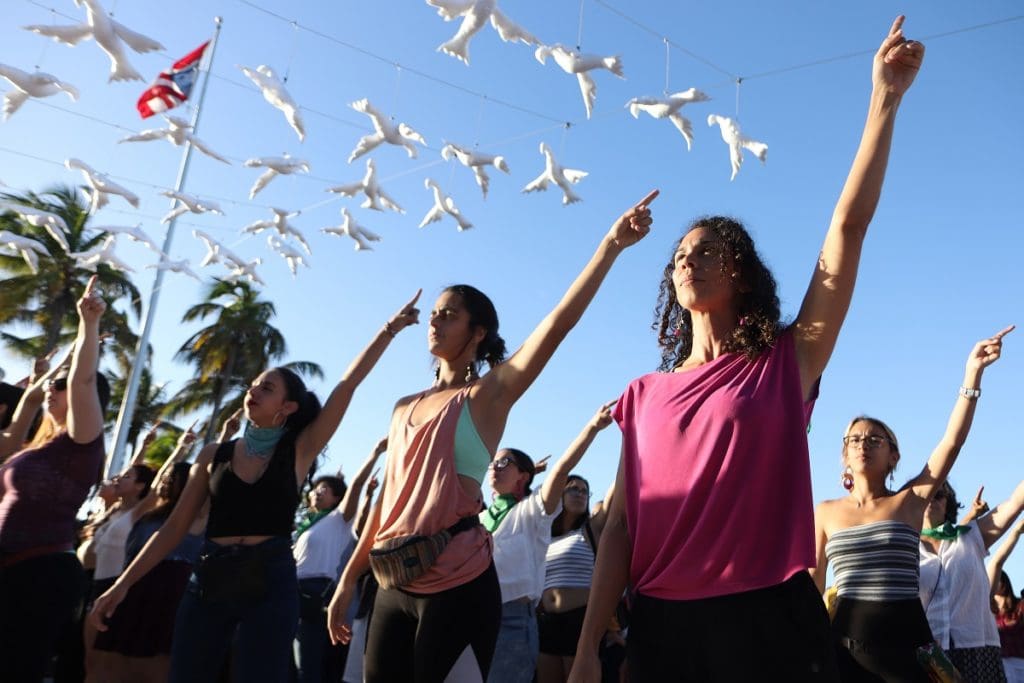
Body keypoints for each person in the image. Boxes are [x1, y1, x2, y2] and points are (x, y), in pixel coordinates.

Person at [568, 17, 926, 682]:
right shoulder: (642, 395)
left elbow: (848, 228)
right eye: (681, 254)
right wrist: (589, 645)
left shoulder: (786, 363)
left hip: (767, 626)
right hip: (660, 630)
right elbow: (619, 527)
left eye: (708, 250)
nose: (689, 260)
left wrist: (885, 98)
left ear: (742, 273)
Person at [328, 193, 657, 682]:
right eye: (435, 313)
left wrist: (610, 246)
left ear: (478, 332)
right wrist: (347, 581)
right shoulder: (403, 408)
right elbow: (385, 506)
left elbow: (557, 324)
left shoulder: (485, 397)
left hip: (459, 583)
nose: (435, 320)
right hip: (393, 581)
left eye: (449, 314)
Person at [90, 291, 422, 683]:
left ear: (288, 407)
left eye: (266, 388)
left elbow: (347, 385)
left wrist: (389, 330)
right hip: (209, 579)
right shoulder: (213, 454)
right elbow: (174, 527)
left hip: (271, 580)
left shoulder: (299, 449)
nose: (253, 391)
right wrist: (122, 585)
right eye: (253, 385)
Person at [812, 328, 1010, 679]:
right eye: (854, 439)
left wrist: (972, 374)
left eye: (875, 439)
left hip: (910, 652)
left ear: (894, 456)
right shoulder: (825, 512)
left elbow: (951, 443)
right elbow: (812, 584)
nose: (863, 444)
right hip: (846, 652)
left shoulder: (911, 501)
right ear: (844, 455)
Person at [0, 276, 110, 682]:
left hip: (40, 573)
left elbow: (83, 380)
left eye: (59, 387)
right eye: (53, 385)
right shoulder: (33, 447)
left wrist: (88, 325)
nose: (53, 389)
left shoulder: (81, 443)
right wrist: (48, 374)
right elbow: (33, 398)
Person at [484, 401, 615, 683]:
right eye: (493, 462)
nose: (495, 467)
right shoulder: (479, 516)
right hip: (477, 616)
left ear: (523, 476)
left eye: (505, 462)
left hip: (514, 622)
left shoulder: (531, 512)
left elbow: (562, 470)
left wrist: (592, 428)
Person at [294, 437, 386, 683]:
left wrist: (375, 452)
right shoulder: (306, 527)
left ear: (337, 498)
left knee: (309, 663)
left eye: (324, 489)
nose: (317, 492)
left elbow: (356, 485)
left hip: (317, 593)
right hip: (292, 589)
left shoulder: (339, 519)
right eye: (315, 488)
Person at [920, 474, 1024, 681]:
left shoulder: (971, 536)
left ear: (948, 504)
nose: (931, 498)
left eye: (938, 495)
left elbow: (1015, 502)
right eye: (926, 494)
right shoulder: (903, 547)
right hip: (927, 653)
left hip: (978, 651)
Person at [538, 471, 613, 683]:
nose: (580, 494)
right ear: (560, 494)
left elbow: (613, 499)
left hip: (580, 621)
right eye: (573, 489)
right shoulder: (544, 533)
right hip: (546, 622)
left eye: (584, 491)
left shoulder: (590, 529)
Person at [989, 521, 1024, 682]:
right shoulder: (988, 610)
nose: (997, 584)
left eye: (1000, 580)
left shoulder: (1020, 606)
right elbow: (996, 564)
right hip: (998, 664)